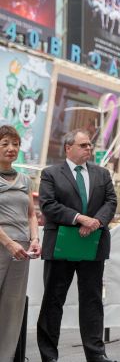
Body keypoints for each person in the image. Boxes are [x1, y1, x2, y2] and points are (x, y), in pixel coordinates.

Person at [37, 129, 118, 362]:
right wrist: (79, 218)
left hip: (92, 245)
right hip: (61, 245)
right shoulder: (51, 174)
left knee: (92, 301)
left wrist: (96, 223)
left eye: (90, 145)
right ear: (68, 148)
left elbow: (111, 201)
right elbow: (48, 204)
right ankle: (49, 356)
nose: (89, 149)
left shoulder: (102, 174)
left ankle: (96, 354)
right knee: (53, 301)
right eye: (83, 145)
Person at [0, 125, 41, 360]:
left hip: (21, 252)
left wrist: (34, 239)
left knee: (13, 307)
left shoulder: (25, 179)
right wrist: (8, 243)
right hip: (4, 246)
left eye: (14, 144)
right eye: (5, 143)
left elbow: (31, 214)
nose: (11, 148)